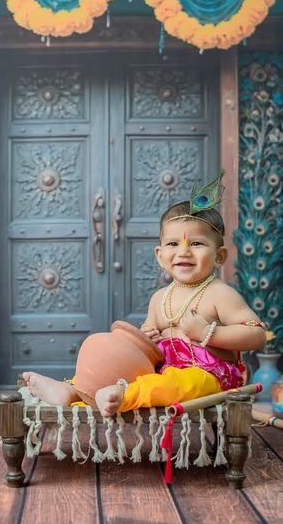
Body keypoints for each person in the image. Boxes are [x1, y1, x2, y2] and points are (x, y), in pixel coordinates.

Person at [24, 176, 266, 416]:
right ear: (160, 256)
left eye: (196, 244)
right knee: (112, 366)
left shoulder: (219, 293)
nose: (183, 251)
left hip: (209, 375)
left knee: (178, 383)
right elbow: (147, 347)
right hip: (160, 369)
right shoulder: (160, 298)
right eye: (173, 244)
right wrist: (146, 337)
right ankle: (71, 390)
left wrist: (206, 333)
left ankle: (124, 396)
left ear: (219, 256)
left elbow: (257, 335)